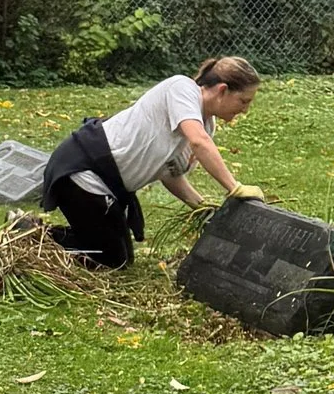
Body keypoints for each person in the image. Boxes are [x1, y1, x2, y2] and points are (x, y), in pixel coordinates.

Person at [41, 55, 264, 268]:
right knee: (112, 258)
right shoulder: (182, 89)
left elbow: (169, 173)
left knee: (118, 256)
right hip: (83, 171)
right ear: (222, 90)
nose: (245, 109)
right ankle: (32, 235)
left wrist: (202, 207)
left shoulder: (206, 124)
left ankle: (45, 234)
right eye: (243, 101)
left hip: (109, 185)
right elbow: (199, 142)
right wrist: (234, 188)